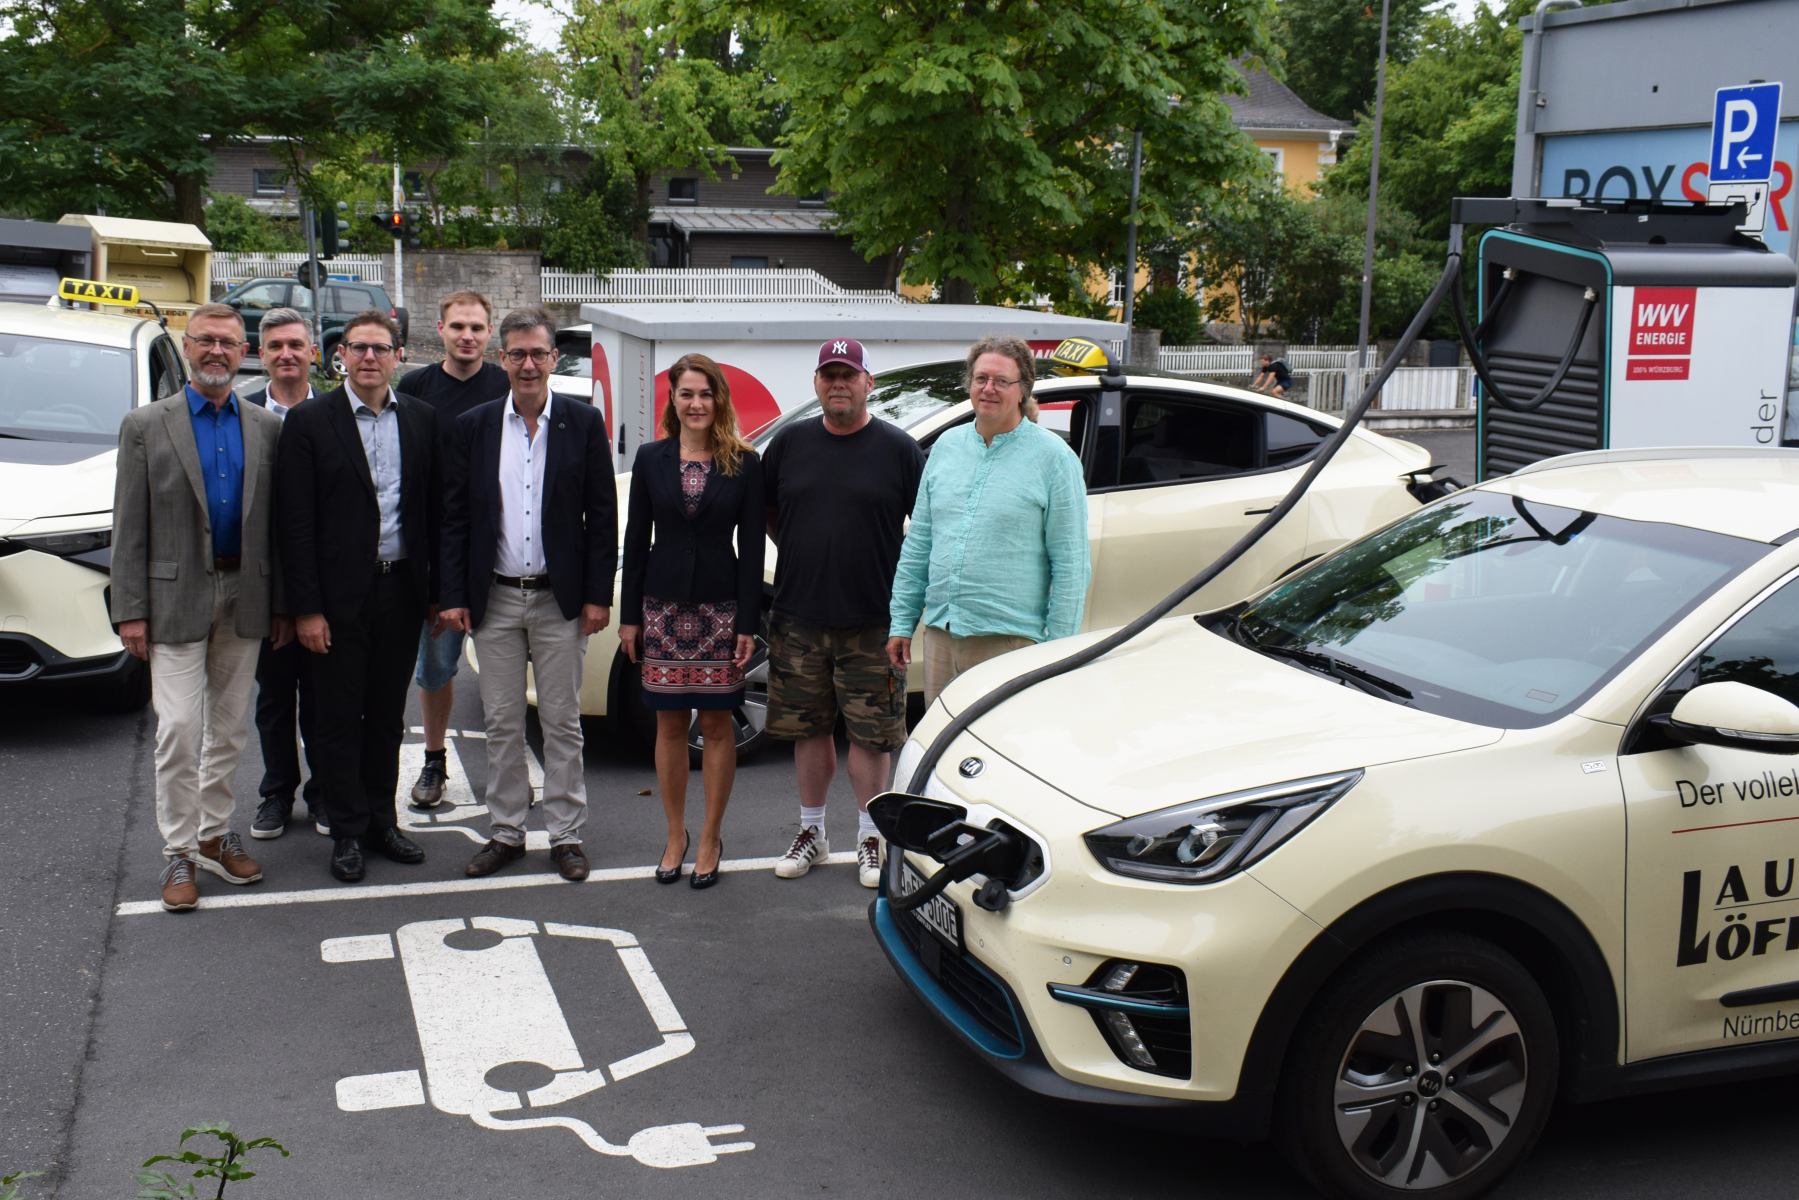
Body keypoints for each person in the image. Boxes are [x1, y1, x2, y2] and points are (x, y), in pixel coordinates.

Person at [112, 303, 287, 912]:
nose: (217, 351)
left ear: (245, 354)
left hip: (247, 593)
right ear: (188, 348)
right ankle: (178, 853)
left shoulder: (266, 426)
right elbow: (129, 524)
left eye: (229, 343)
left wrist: (283, 604)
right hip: (173, 596)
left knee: (232, 729)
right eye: (206, 341)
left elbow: (277, 527)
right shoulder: (145, 424)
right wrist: (129, 609)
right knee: (180, 729)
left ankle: (214, 835)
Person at [438, 308, 615, 883]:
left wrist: (597, 595)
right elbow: (457, 516)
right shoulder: (477, 425)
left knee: (562, 721)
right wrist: (455, 593)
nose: (530, 364)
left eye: (539, 353)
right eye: (518, 354)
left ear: (553, 358)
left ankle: (565, 834)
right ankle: (507, 831)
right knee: (502, 722)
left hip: (558, 600)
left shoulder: (584, 423)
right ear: (502, 359)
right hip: (494, 597)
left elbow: (602, 515)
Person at [276, 309, 440, 883]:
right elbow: (293, 524)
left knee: (386, 719)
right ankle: (345, 831)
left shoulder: (422, 420)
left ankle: (379, 820)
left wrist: (436, 596)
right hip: (336, 601)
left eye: (381, 347)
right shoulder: (310, 422)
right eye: (358, 347)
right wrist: (307, 608)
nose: (369, 357)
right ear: (339, 355)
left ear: (399, 355)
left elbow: (435, 516)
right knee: (337, 718)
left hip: (401, 592)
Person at [763, 338, 924, 888]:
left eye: (848, 374)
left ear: (867, 383)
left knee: (872, 737)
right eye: (828, 374)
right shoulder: (787, 445)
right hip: (798, 616)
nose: (838, 383)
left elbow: (924, 529)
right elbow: (771, 513)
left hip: (874, 622)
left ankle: (870, 836)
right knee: (807, 731)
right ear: (816, 383)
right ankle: (813, 831)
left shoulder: (899, 450)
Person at [618, 355, 764, 890]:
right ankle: (675, 834)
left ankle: (710, 836)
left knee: (719, 724)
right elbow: (635, 541)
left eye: (705, 393)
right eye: (686, 394)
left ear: (719, 399)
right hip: (661, 610)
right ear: (672, 400)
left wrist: (748, 621)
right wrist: (630, 616)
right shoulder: (652, 458)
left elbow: (752, 551)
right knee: (670, 725)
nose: (696, 403)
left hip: (720, 610)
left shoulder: (744, 463)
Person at [887, 334, 1090, 707]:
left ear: (1023, 389)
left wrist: (1056, 652)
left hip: (1010, 645)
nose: (988, 388)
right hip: (940, 638)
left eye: (1001, 381)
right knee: (941, 752)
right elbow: (920, 544)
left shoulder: (1054, 459)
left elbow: (1071, 565)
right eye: (981, 378)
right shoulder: (947, 447)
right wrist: (902, 622)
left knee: (1005, 754)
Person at [396, 291, 511, 808]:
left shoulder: (508, 385)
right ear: (439, 329)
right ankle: (435, 760)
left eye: (478, 328)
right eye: (458, 326)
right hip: (436, 552)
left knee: (505, 667)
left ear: (491, 335)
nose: (468, 335)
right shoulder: (415, 386)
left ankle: (509, 771)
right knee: (437, 666)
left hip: (498, 551)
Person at [242, 309, 326, 840]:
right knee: (274, 700)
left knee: (324, 699)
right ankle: (277, 793)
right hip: (267, 591)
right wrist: (275, 599)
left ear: (314, 351)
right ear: (262, 353)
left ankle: (323, 793)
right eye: (276, 346)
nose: (287, 354)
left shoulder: (341, 413)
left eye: (296, 344)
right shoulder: (243, 416)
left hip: (327, 589)